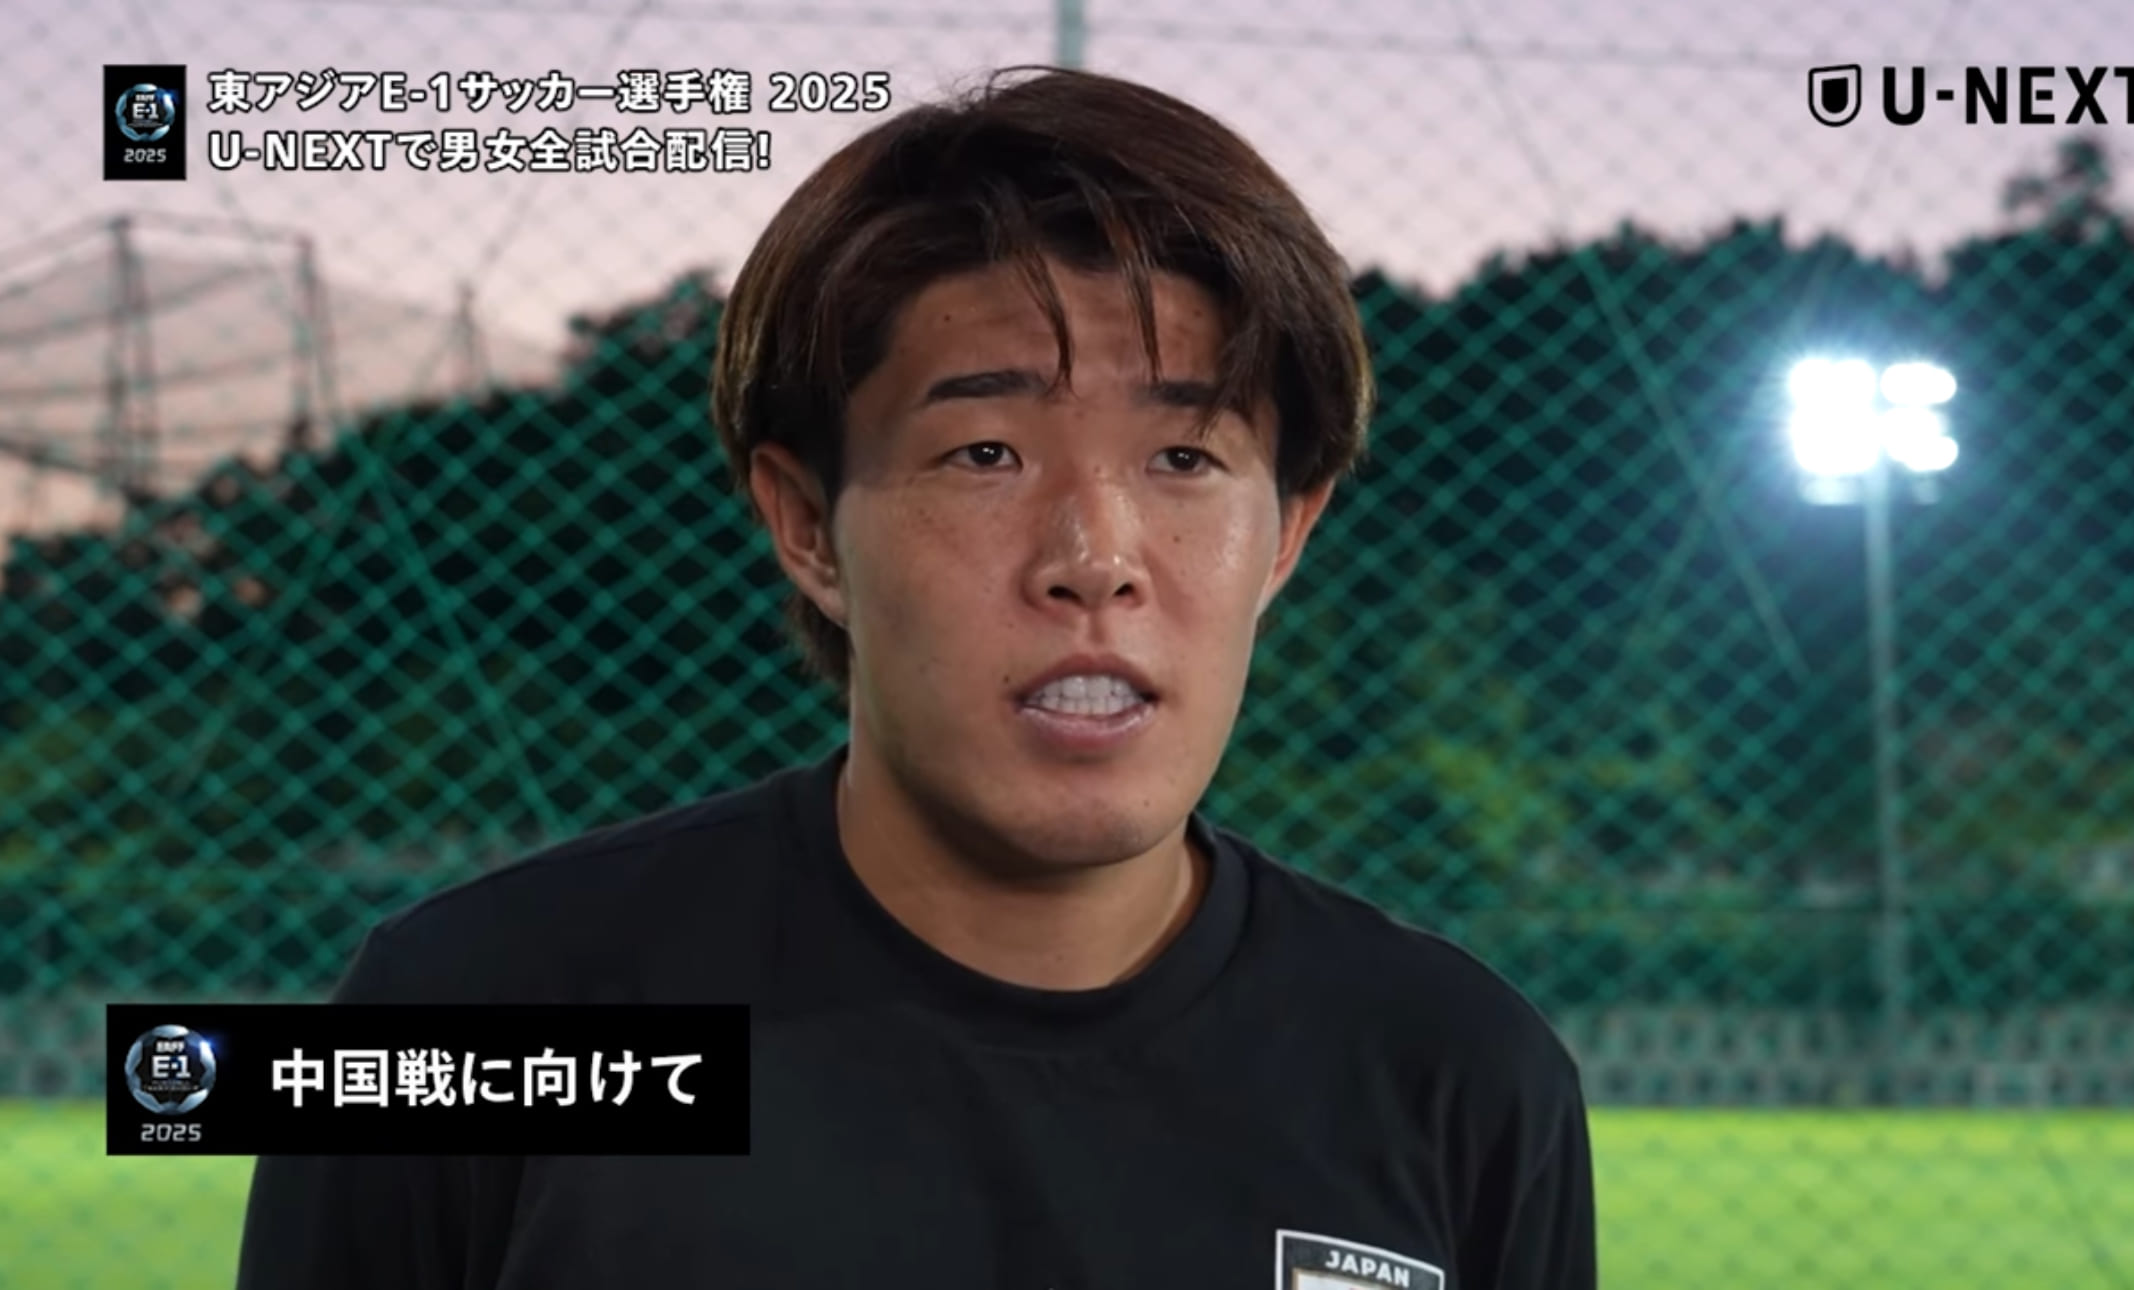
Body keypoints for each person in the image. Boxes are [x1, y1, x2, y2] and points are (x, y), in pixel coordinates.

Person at [236, 63, 1595, 1290]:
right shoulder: (481, 1020)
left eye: (1183, 458)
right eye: (985, 453)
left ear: (1286, 532)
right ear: (807, 526)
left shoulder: (1456, 1075)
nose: (1093, 559)